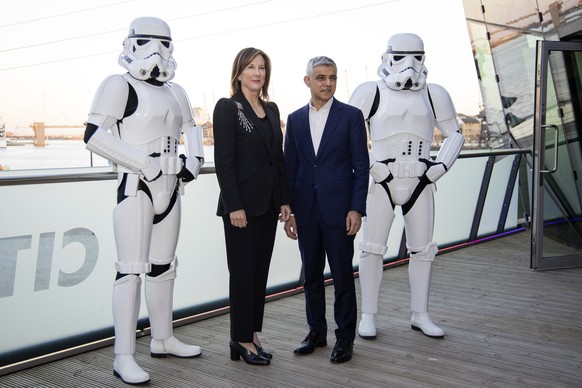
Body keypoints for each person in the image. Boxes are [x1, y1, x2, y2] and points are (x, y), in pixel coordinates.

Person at [83, 16, 204, 385]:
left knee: (164, 266)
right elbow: (93, 135)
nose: (156, 51)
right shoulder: (117, 85)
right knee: (131, 269)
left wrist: (194, 163)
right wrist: (143, 164)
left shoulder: (177, 90)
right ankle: (123, 356)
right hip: (135, 186)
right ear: (131, 43)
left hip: (171, 188)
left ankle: (163, 337)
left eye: (163, 43)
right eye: (148, 42)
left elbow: (191, 130)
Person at [348, 33, 464, 340]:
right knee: (372, 250)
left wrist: (439, 167)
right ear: (387, 56)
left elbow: (455, 134)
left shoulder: (434, 94)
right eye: (400, 56)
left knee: (423, 251)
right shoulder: (370, 91)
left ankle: (420, 314)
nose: (409, 65)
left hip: (421, 181)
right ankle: (368, 315)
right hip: (381, 181)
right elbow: (349, 134)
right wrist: (374, 168)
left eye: (416, 56)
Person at [284, 56, 369, 363]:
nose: (328, 83)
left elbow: (362, 166)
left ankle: (345, 338)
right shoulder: (294, 119)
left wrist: (356, 208)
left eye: (332, 77)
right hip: (306, 211)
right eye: (321, 77)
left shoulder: (351, 116)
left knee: (343, 277)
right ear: (308, 81)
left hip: (339, 211)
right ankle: (316, 332)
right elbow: (290, 168)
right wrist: (289, 211)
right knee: (311, 278)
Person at [213, 47, 292, 366]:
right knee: (242, 274)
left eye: (261, 67)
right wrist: (235, 205)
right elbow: (224, 162)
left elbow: (279, 159)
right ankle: (241, 338)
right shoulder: (227, 107)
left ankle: (252, 334)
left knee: (259, 275)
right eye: (250, 67)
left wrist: (286, 199)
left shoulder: (271, 109)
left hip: (269, 205)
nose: (257, 73)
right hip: (241, 208)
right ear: (239, 73)